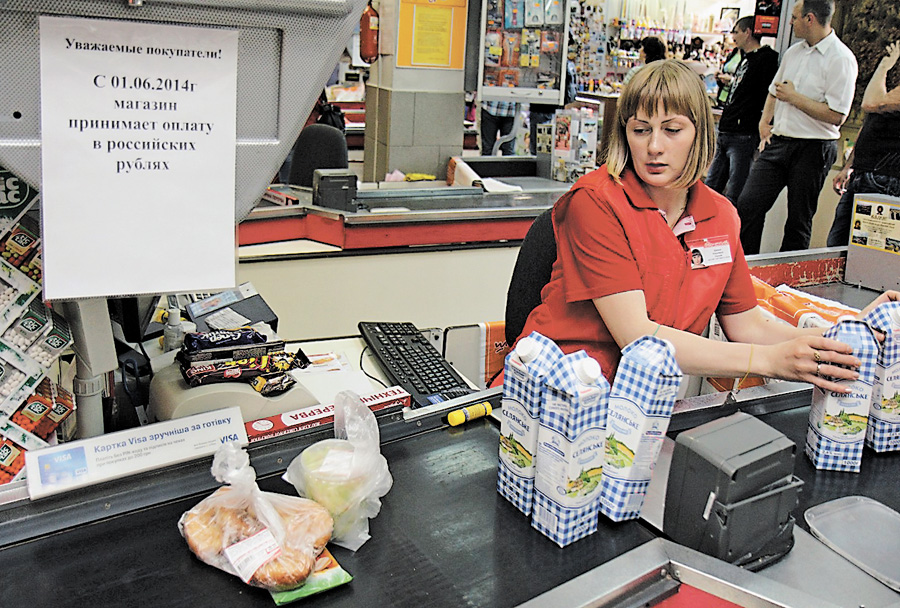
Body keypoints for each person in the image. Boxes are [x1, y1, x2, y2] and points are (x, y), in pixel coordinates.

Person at [514, 58, 894, 392]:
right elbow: (637, 336)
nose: (654, 147)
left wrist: (846, 333)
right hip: (560, 393)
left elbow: (747, 324)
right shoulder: (596, 202)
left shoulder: (720, 215)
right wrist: (769, 361)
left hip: (644, 406)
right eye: (640, 129)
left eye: (672, 129)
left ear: (700, 133)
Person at [734, 0, 857, 255]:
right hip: (780, 141)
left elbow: (837, 115)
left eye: (795, 17)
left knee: (798, 220)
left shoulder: (841, 59)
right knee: (748, 205)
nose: (790, 22)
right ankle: (746, 269)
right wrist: (764, 123)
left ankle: (787, 283)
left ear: (810, 18)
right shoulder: (793, 52)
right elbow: (774, 91)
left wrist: (794, 98)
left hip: (814, 147)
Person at [827, 41, 900, 246]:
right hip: (866, 173)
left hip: (886, 179)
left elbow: (871, 103)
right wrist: (849, 166)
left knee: (866, 254)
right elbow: (870, 125)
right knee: (839, 246)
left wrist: (884, 66)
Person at [705, 16, 780, 204]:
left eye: (736, 31)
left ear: (748, 32)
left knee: (735, 190)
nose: (733, 36)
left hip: (743, 133)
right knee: (710, 187)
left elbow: (765, 94)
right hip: (727, 128)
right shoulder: (743, 58)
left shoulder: (766, 59)